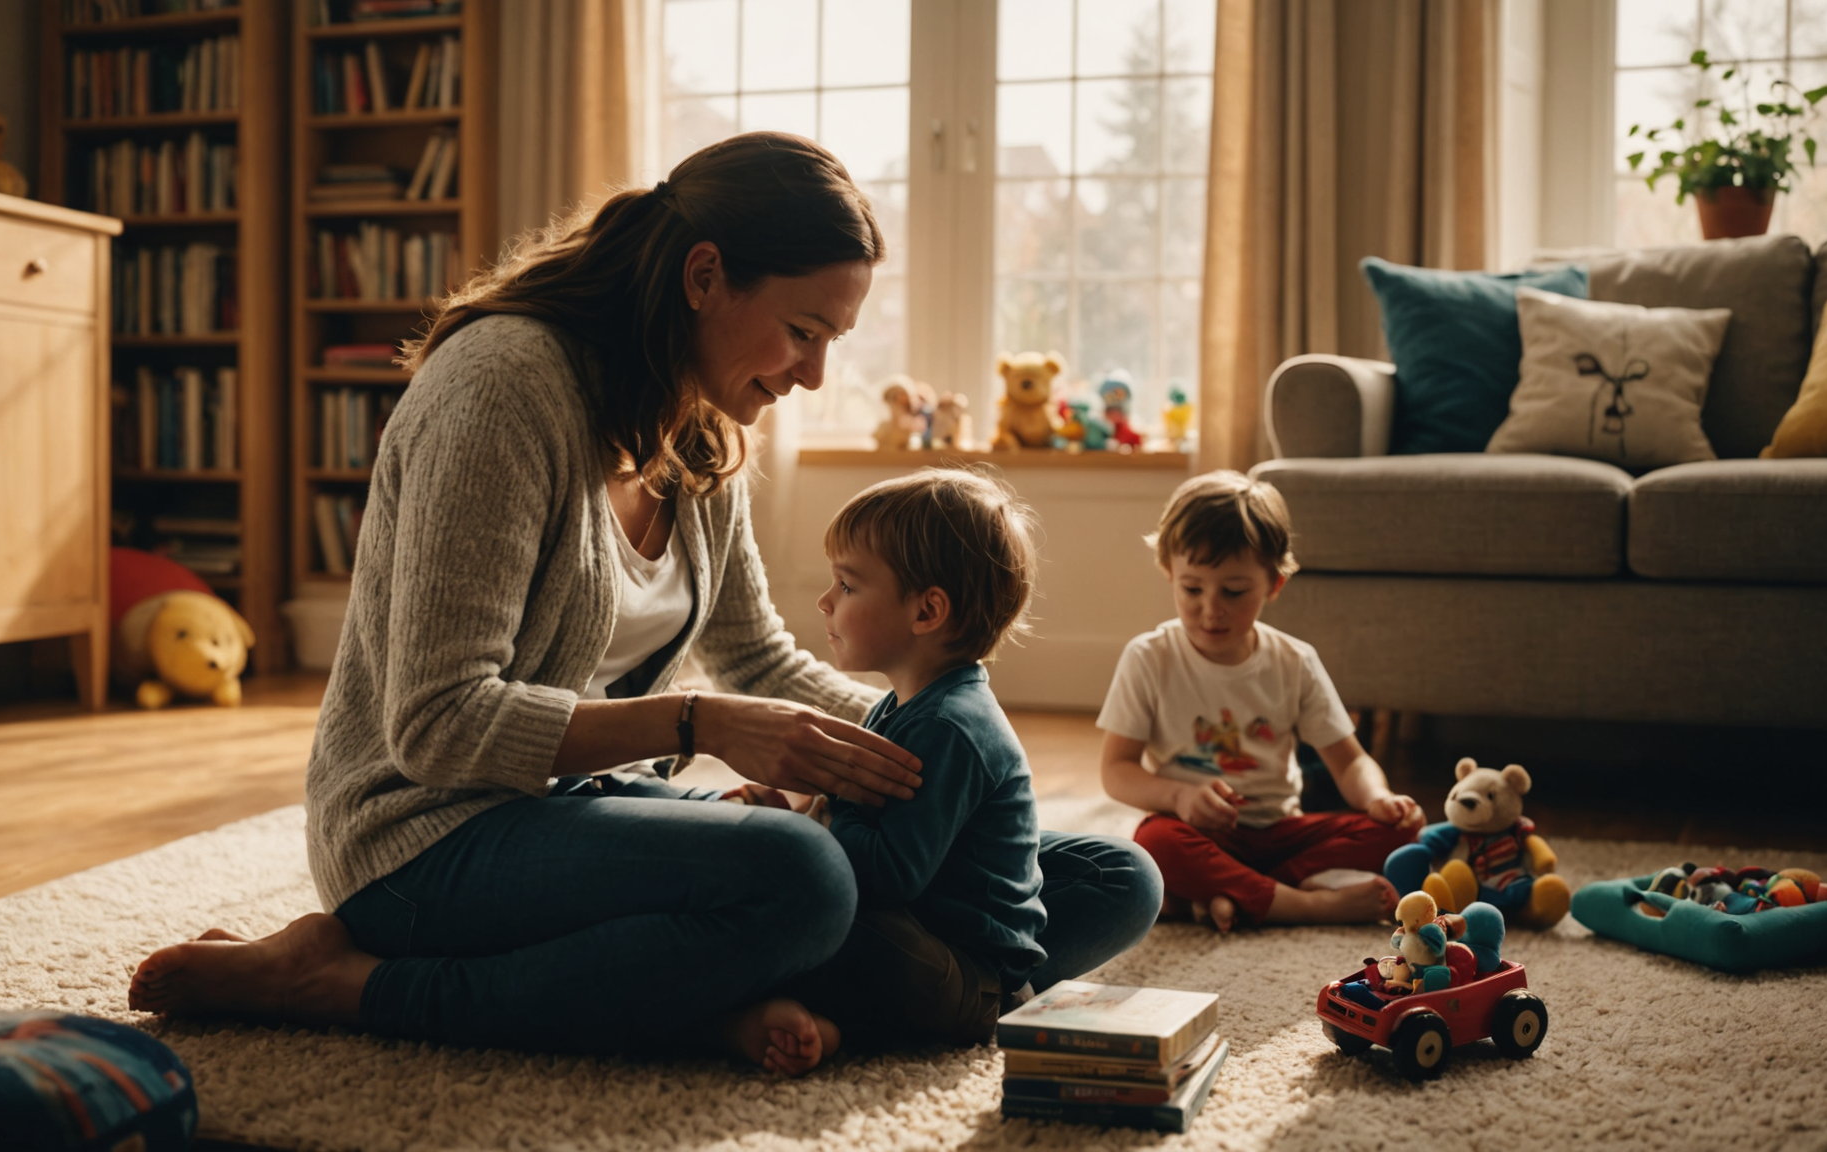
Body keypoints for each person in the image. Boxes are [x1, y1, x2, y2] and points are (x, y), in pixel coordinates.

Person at [127, 133, 1160, 1076]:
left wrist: (941, 748)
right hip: (424, 831)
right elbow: (437, 725)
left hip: (581, 811)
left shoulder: (699, 430)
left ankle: (727, 993)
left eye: (832, 340)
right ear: (704, 276)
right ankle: (348, 982)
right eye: (803, 332)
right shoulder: (500, 391)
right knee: (803, 878)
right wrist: (697, 724)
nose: (812, 375)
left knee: (1109, 877)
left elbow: (760, 659)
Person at [749, 469, 1045, 1054]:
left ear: (927, 611)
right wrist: (806, 811)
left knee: (807, 899)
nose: (824, 600)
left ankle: (821, 1020)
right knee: (788, 883)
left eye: (848, 585)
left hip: (970, 983)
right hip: (932, 943)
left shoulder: (949, 725)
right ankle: (842, 1026)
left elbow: (890, 874)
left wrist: (827, 809)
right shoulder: (906, 704)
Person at [1095, 471, 1426, 934]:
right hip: (1196, 834)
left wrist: (1380, 798)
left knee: (1405, 832)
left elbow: (1350, 762)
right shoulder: (1149, 658)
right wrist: (1180, 796)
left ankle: (1232, 892)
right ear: (1169, 572)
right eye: (1192, 589)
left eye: (1233, 591)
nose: (1212, 609)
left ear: (1274, 584)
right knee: (1153, 843)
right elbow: (1117, 771)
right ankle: (1302, 905)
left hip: (1279, 834)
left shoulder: (1293, 661)